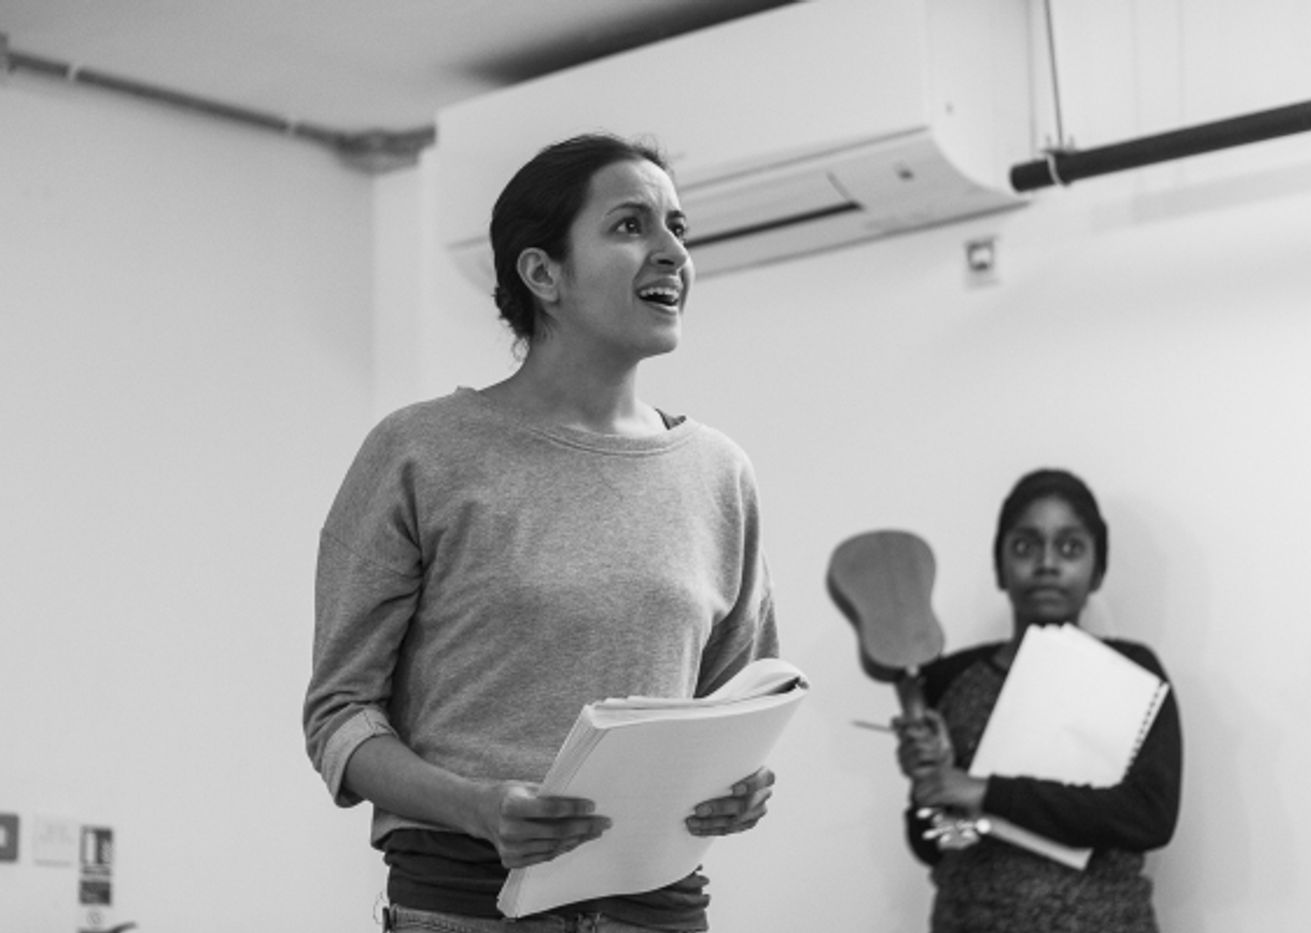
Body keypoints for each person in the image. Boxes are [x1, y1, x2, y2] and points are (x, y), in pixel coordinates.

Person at [303, 133, 780, 933]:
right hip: (467, 906)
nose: (672, 252)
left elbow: (740, 709)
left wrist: (742, 786)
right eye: (630, 225)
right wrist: (477, 806)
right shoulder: (420, 451)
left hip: (657, 913)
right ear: (543, 273)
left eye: (677, 227)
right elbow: (339, 715)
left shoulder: (720, 474)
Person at [893, 468, 1182, 932]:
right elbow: (936, 843)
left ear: (1098, 570)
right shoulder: (950, 679)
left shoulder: (1132, 673)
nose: (1047, 563)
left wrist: (984, 791)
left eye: (1070, 547)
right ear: (999, 566)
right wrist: (934, 785)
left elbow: (1149, 817)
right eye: (1026, 546)